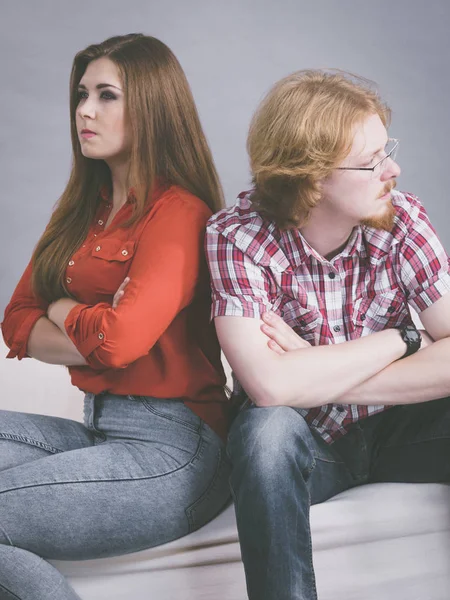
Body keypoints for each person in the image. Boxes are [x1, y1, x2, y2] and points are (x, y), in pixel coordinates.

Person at [1, 33, 231, 600]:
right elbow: (15, 320)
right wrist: (86, 319)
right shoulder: (84, 209)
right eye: (82, 94)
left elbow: (119, 343)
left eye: (106, 96)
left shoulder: (179, 212)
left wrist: (61, 305)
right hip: (99, 429)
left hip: (177, 451)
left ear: (151, 107)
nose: (84, 111)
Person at [205, 69, 450, 600]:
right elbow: (270, 388)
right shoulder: (236, 237)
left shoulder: (402, 221)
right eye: (373, 161)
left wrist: (317, 367)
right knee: (265, 433)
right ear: (311, 178)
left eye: (389, 150)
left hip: (397, 430)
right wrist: (405, 339)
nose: (394, 170)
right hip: (312, 446)